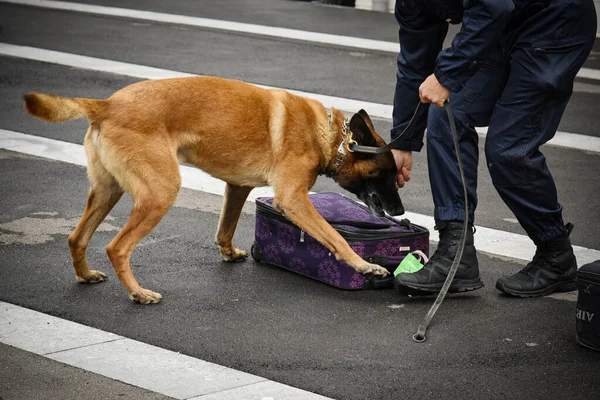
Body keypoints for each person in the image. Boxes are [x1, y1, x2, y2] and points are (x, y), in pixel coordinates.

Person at [389, 0, 597, 297]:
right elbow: (414, 62)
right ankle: (456, 255)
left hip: (554, 22)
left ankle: (556, 256)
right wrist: (402, 142)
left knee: (509, 150)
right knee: (446, 117)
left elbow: (492, 7)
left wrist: (446, 76)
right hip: (502, 26)